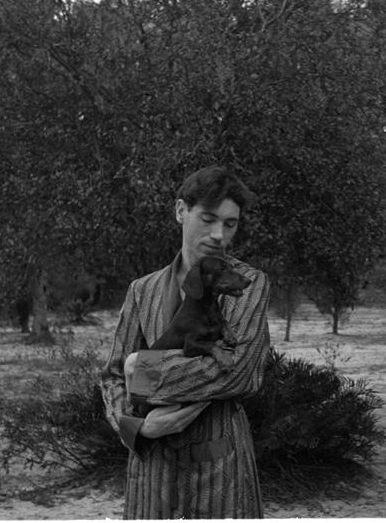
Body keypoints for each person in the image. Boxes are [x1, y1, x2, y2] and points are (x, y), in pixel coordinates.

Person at [100, 166, 271, 519]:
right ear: (181, 211)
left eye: (230, 224)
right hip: (151, 476)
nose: (219, 235)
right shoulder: (142, 290)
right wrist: (138, 427)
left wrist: (139, 370)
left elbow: (237, 372)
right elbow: (113, 376)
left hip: (222, 474)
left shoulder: (250, 284)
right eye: (208, 219)